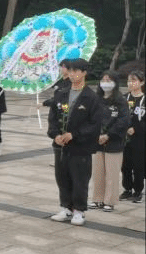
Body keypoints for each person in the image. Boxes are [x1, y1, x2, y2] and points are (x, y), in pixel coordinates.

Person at [48, 59, 105, 226]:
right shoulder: (61, 93)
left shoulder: (92, 97)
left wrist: (75, 134)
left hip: (81, 147)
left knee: (79, 179)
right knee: (62, 177)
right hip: (61, 146)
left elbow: (95, 124)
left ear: (84, 73)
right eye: (70, 71)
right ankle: (66, 207)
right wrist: (55, 135)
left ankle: (79, 210)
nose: (72, 74)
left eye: (76, 71)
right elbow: (53, 117)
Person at [89, 71, 129, 212]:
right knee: (98, 173)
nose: (105, 83)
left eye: (109, 80)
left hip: (114, 142)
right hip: (97, 141)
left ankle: (110, 201)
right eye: (103, 80)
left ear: (115, 83)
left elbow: (124, 120)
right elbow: (90, 118)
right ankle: (97, 199)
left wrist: (109, 135)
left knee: (112, 173)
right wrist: (96, 134)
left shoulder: (120, 100)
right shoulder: (96, 99)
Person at [121, 70, 145, 203]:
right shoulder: (123, 98)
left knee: (138, 166)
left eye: (134, 80)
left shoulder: (144, 100)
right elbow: (118, 116)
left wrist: (136, 129)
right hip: (124, 139)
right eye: (129, 81)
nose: (130, 83)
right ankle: (127, 189)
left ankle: (138, 191)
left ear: (142, 82)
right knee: (125, 166)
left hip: (140, 139)